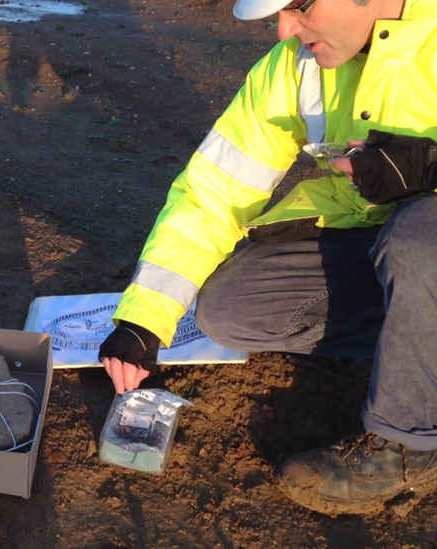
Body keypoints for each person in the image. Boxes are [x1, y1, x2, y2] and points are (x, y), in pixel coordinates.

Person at [97, 0, 437, 516]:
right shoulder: (295, 64)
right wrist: (145, 318)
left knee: (416, 235)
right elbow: (215, 191)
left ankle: (412, 447)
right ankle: (416, 358)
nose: (284, 29)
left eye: (300, 5)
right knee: (231, 309)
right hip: (384, 248)